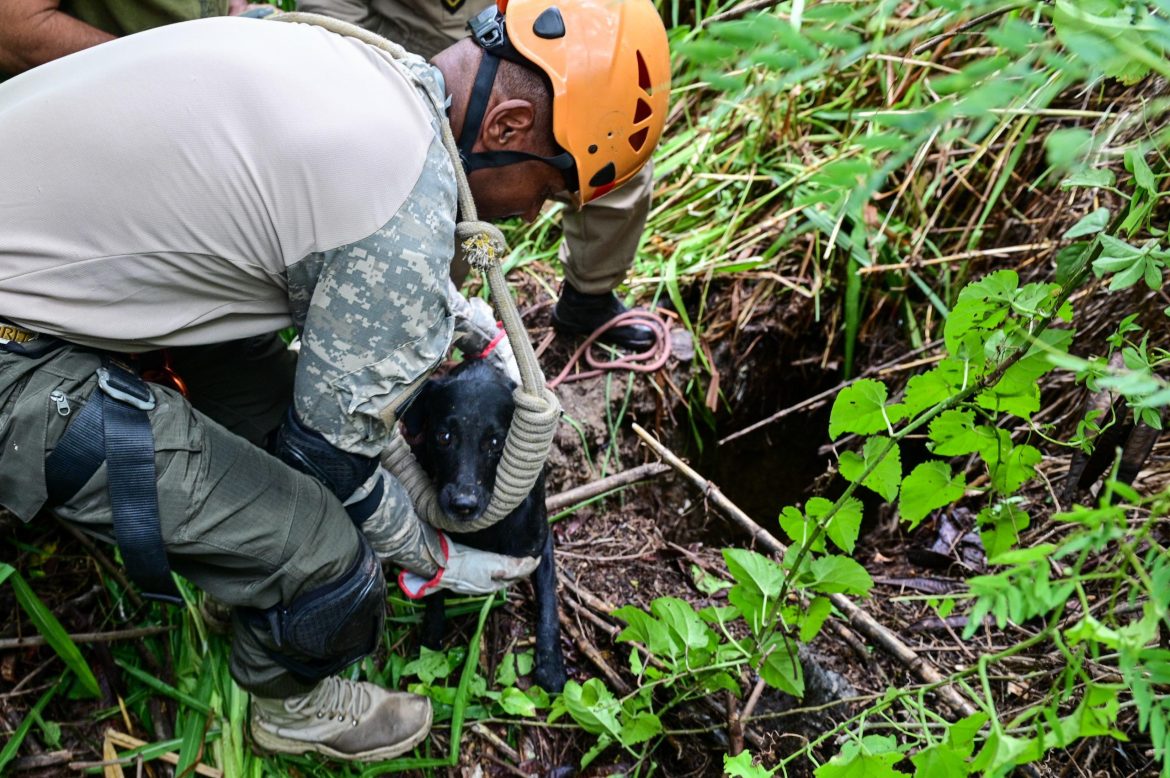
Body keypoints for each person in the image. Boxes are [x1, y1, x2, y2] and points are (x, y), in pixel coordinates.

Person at [0, 0, 669, 764]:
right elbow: (332, 457)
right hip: (15, 347)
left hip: (43, 268)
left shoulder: (350, 59)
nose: (529, 213)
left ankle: (234, 562)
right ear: (509, 126)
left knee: (282, 420)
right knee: (329, 547)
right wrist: (435, 557)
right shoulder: (400, 205)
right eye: (550, 191)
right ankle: (294, 707)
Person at [300, 0, 663, 352]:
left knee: (603, 155)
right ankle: (399, 336)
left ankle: (589, 299)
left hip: (527, 46)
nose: (529, 216)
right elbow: (332, 15)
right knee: (430, 226)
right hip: (403, 49)